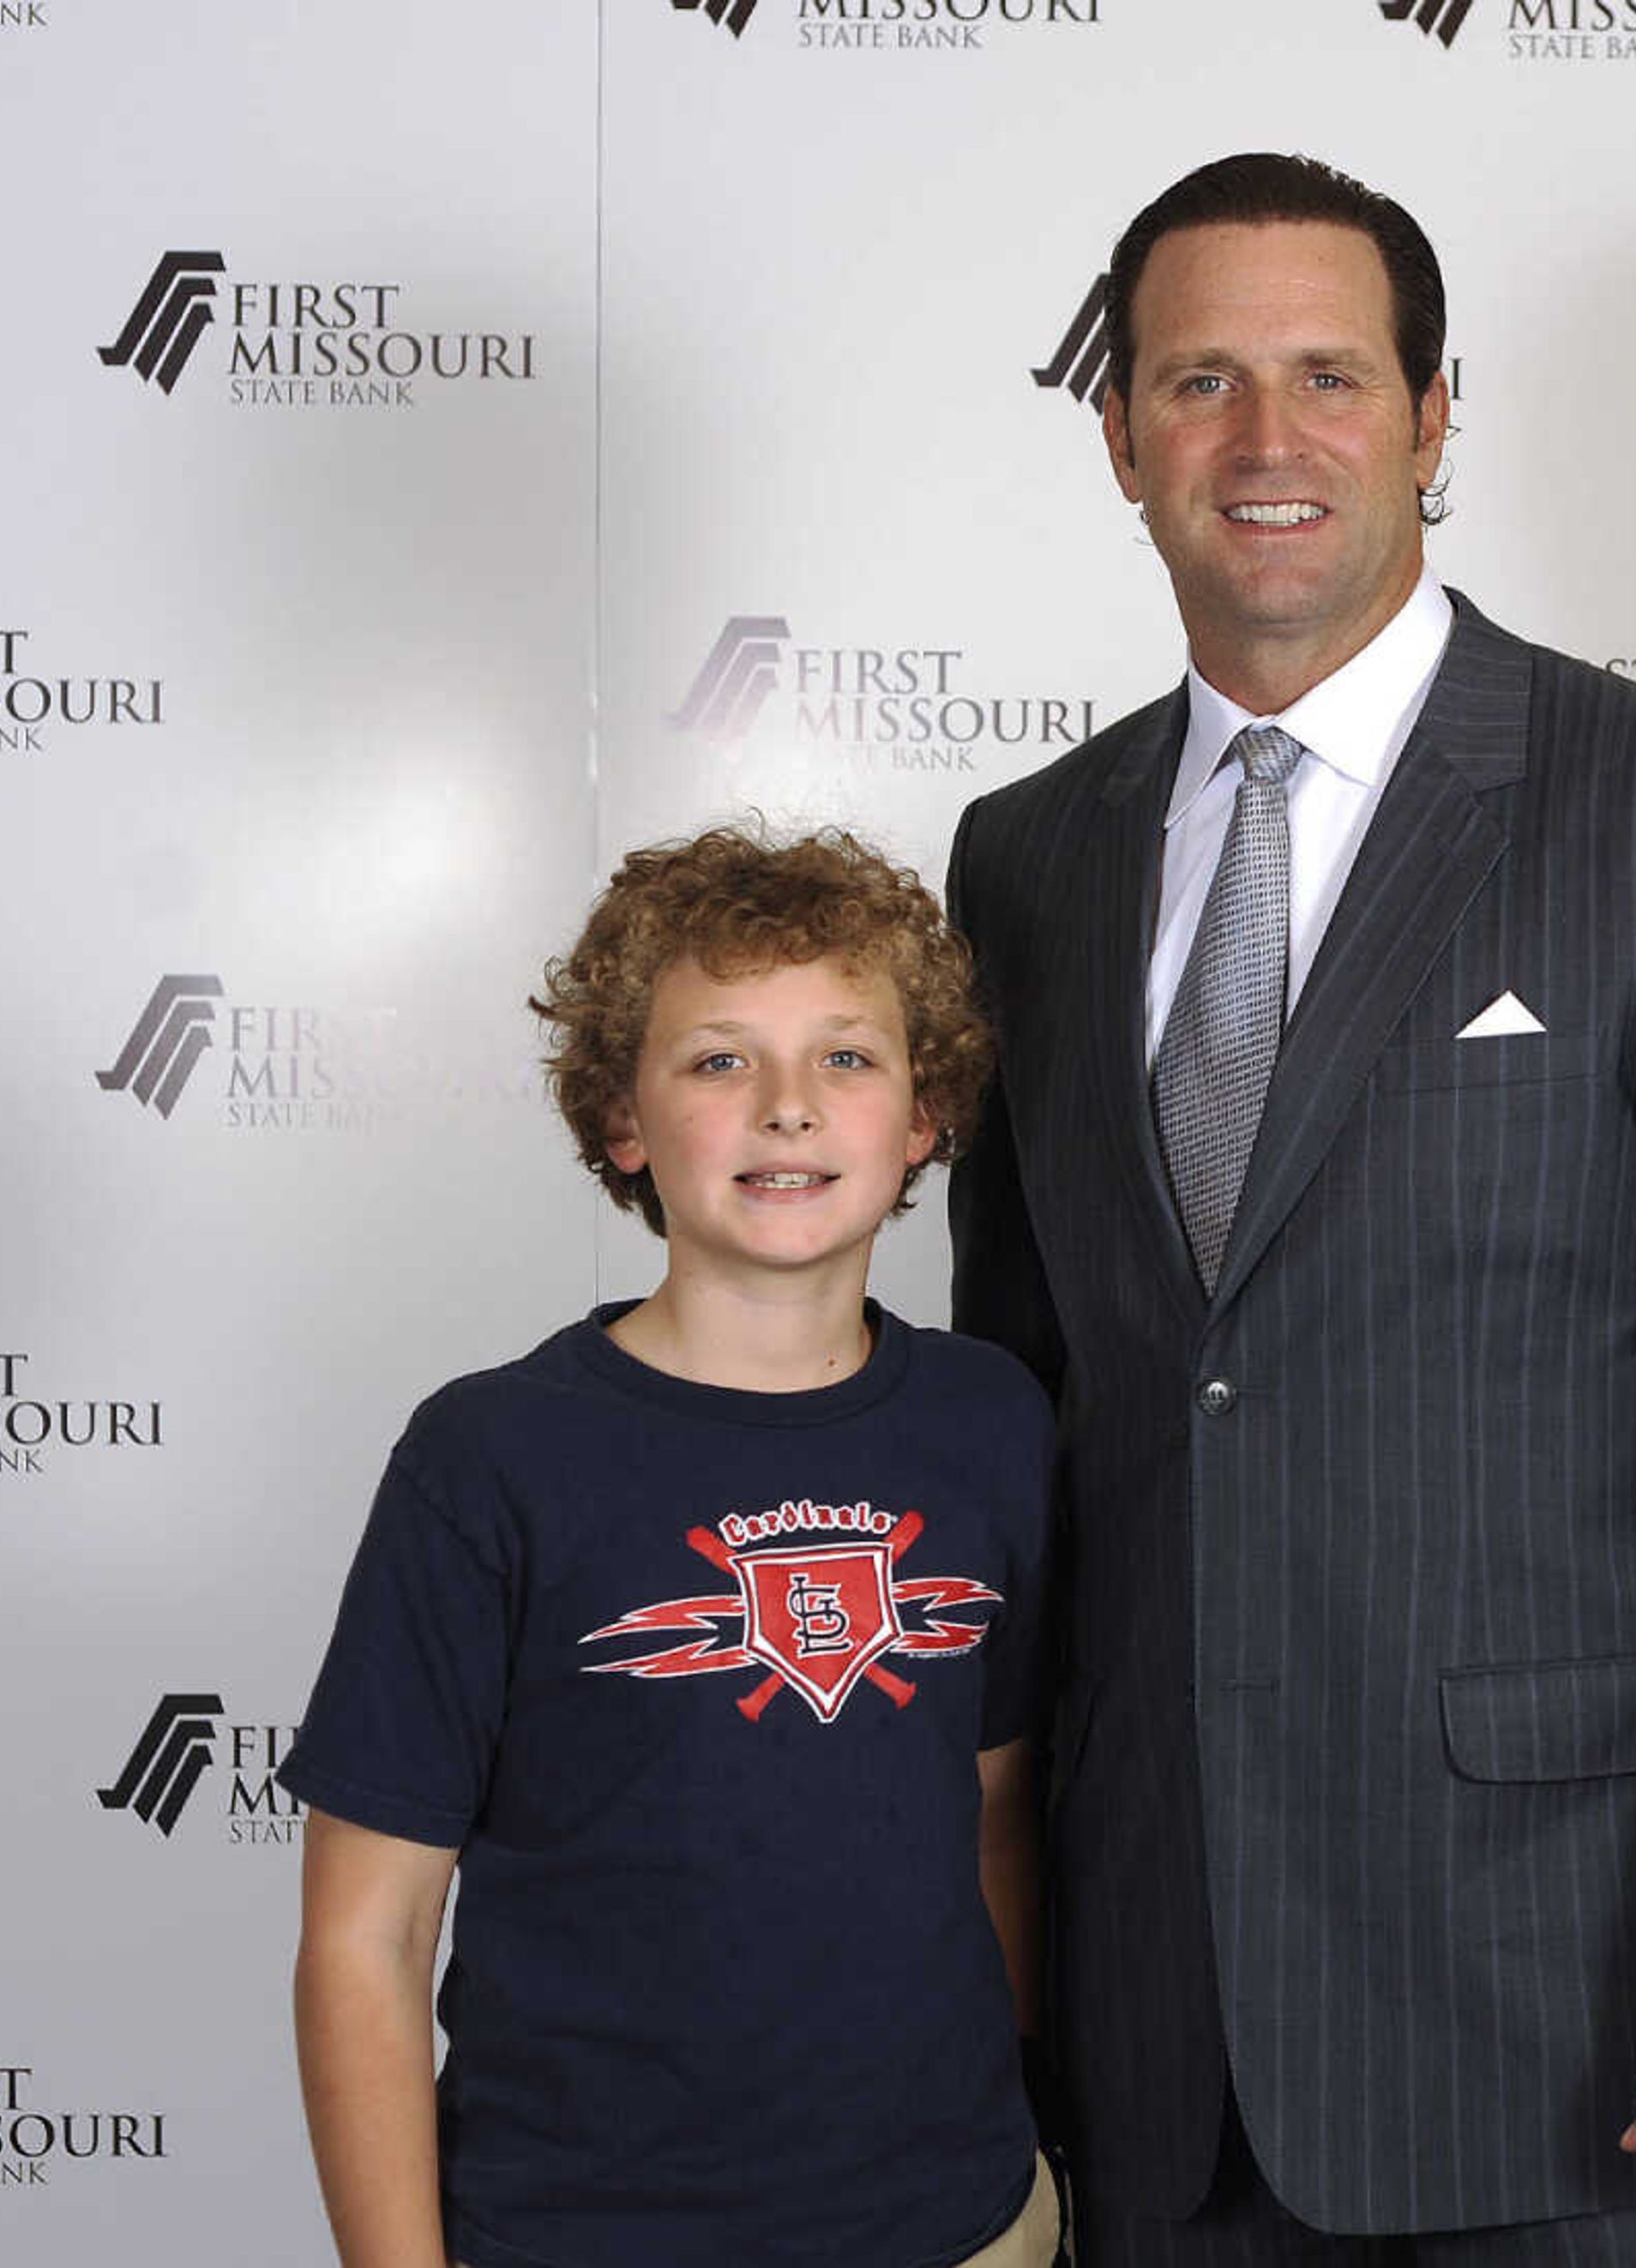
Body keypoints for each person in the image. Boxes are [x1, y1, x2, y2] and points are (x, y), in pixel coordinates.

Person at [943, 152, 1636, 2266]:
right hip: (1151, 2043)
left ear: (1431, 419)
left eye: (1330, 375)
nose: (1267, 440)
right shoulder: (1024, 858)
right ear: (1118, 433)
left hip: (1583, 2037)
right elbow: (1024, 1431)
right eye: (1199, 380)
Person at [282, 827, 1055, 2268]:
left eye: (846, 1057)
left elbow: (998, 1817)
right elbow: (365, 1941)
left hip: (961, 2225)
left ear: (927, 1115)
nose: (787, 1110)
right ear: (622, 1120)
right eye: (717, 1061)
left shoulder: (992, 1420)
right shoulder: (492, 1457)